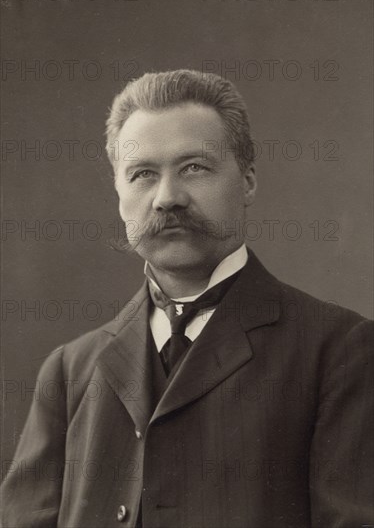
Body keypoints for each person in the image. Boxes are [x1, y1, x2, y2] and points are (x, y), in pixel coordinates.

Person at [1, 70, 373, 528]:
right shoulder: (69, 371)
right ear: (118, 194)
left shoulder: (339, 350)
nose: (167, 198)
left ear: (249, 181)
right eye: (142, 175)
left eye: (194, 168)